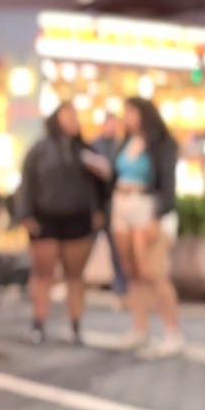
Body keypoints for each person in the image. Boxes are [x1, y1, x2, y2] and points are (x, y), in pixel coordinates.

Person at [15, 101, 106, 345]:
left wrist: (99, 210)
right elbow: (26, 184)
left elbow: (103, 183)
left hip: (77, 219)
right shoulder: (40, 150)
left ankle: (76, 325)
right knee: (43, 273)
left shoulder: (86, 151)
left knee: (75, 275)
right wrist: (25, 214)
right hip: (46, 218)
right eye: (67, 115)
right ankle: (38, 323)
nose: (72, 120)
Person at [109, 97, 184, 357]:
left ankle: (172, 332)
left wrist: (157, 215)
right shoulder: (125, 142)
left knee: (153, 271)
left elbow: (168, 184)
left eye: (131, 111)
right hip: (122, 206)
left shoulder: (162, 143)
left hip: (148, 207)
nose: (127, 117)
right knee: (131, 272)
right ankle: (139, 328)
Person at [91, 112, 129, 299]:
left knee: (117, 249)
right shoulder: (94, 146)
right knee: (85, 245)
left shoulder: (121, 146)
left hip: (115, 204)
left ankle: (121, 286)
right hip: (97, 204)